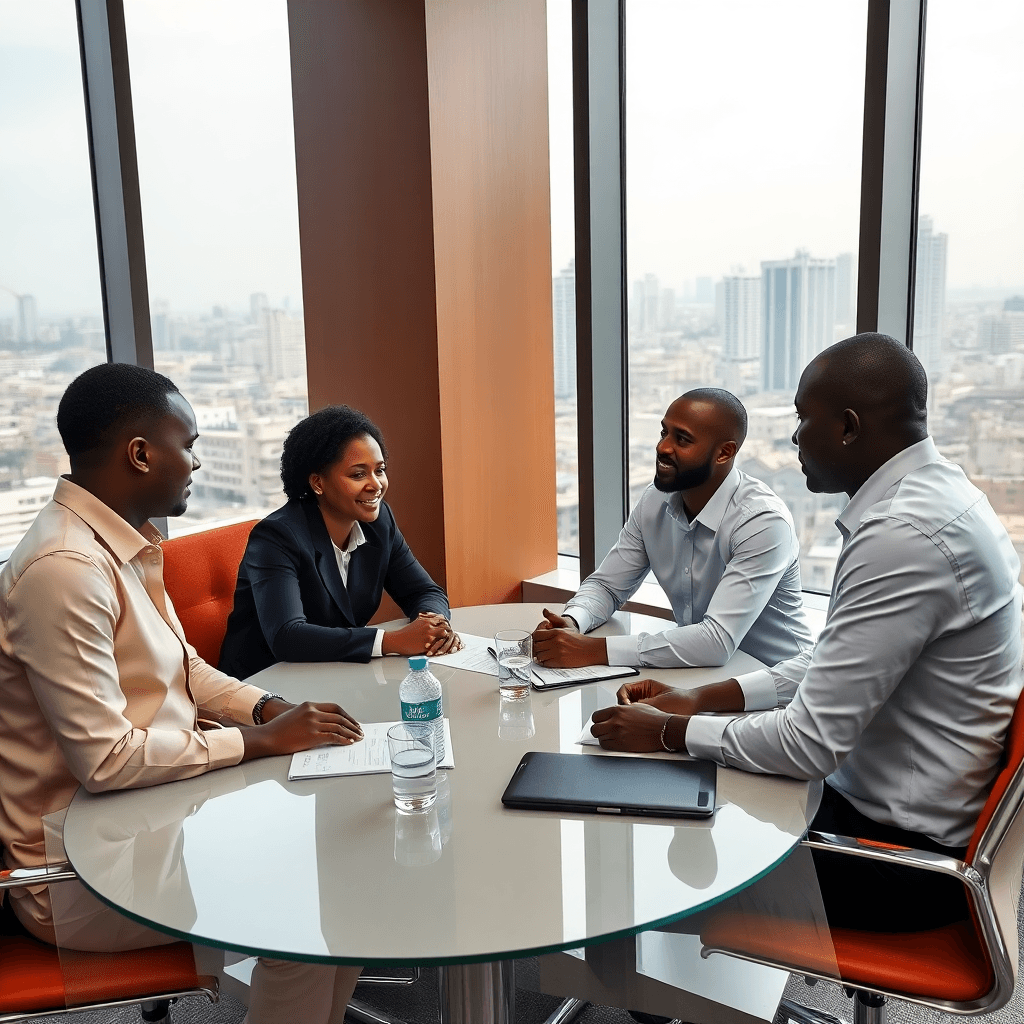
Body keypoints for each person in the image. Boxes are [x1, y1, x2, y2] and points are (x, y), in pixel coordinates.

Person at [591, 334, 1024, 930]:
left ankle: (627, 974)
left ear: (847, 427)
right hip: (890, 811)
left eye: (803, 418)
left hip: (895, 858)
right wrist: (702, 699)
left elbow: (807, 745)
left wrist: (669, 731)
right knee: (670, 780)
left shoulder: (902, 535)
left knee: (638, 823)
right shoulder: (939, 497)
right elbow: (832, 658)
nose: (795, 436)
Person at [0, 363, 364, 1023]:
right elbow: (106, 760)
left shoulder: (123, 542)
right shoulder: (65, 570)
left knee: (341, 865)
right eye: (189, 445)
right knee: (304, 910)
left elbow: (186, 667)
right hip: (82, 868)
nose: (196, 461)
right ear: (141, 454)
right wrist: (256, 742)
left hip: (154, 812)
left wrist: (266, 709)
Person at [532, 388, 812, 671]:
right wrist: (573, 622)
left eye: (682, 439)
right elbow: (607, 586)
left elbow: (715, 642)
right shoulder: (654, 501)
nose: (663, 447)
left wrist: (589, 650)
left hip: (780, 684)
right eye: (664, 433)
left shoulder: (762, 522)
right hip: (701, 676)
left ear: (724, 453)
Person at [219, 405, 460, 680]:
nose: (376, 485)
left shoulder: (379, 524)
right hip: (264, 684)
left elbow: (424, 591)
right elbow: (287, 636)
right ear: (318, 483)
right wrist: (391, 641)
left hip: (336, 673)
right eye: (358, 474)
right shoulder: (277, 536)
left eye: (379, 470)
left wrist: (434, 627)